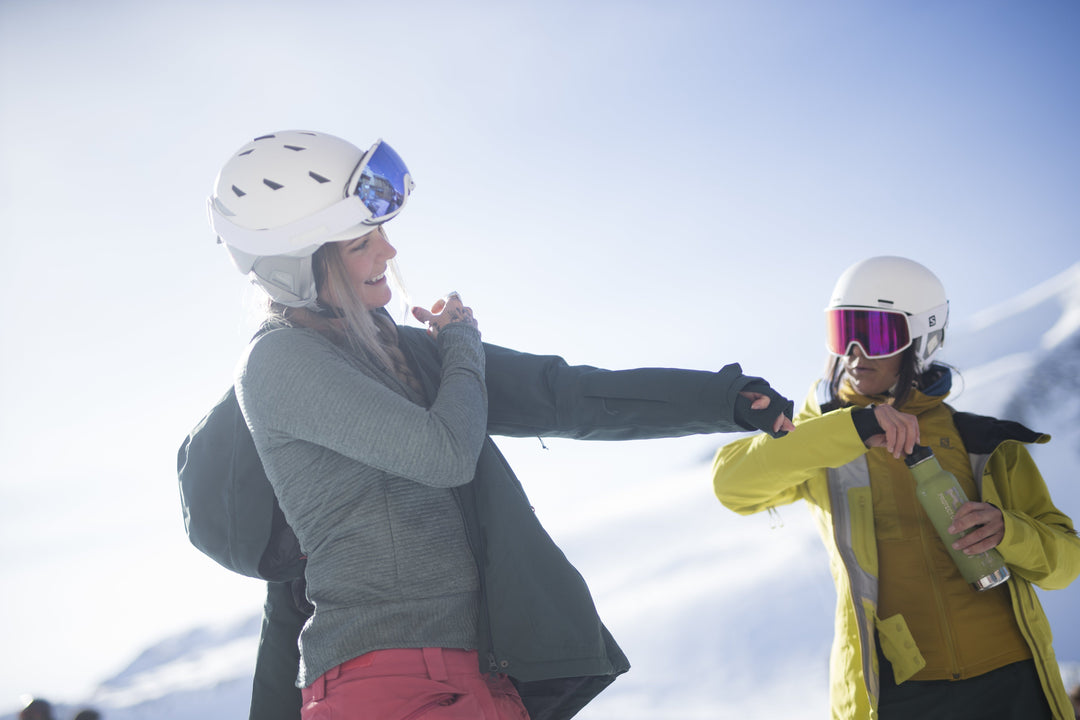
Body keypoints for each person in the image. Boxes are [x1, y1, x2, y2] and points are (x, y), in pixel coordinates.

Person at [201, 130, 795, 720]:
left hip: (477, 673)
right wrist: (462, 347)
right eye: (361, 243)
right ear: (295, 268)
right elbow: (444, 454)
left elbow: (560, 393)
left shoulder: (410, 353)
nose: (388, 252)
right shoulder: (279, 361)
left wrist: (724, 399)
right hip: (386, 681)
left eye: (381, 231)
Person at [711, 255, 1080, 719]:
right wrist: (855, 428)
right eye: (842, 331)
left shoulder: (986, 443)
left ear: (922, 341)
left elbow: (1067, 564)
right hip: (898, 696)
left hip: (1014, 685)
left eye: (877, 334)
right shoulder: (819, 439)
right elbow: (732, 486)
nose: (854, 352)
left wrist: (1009, 532)